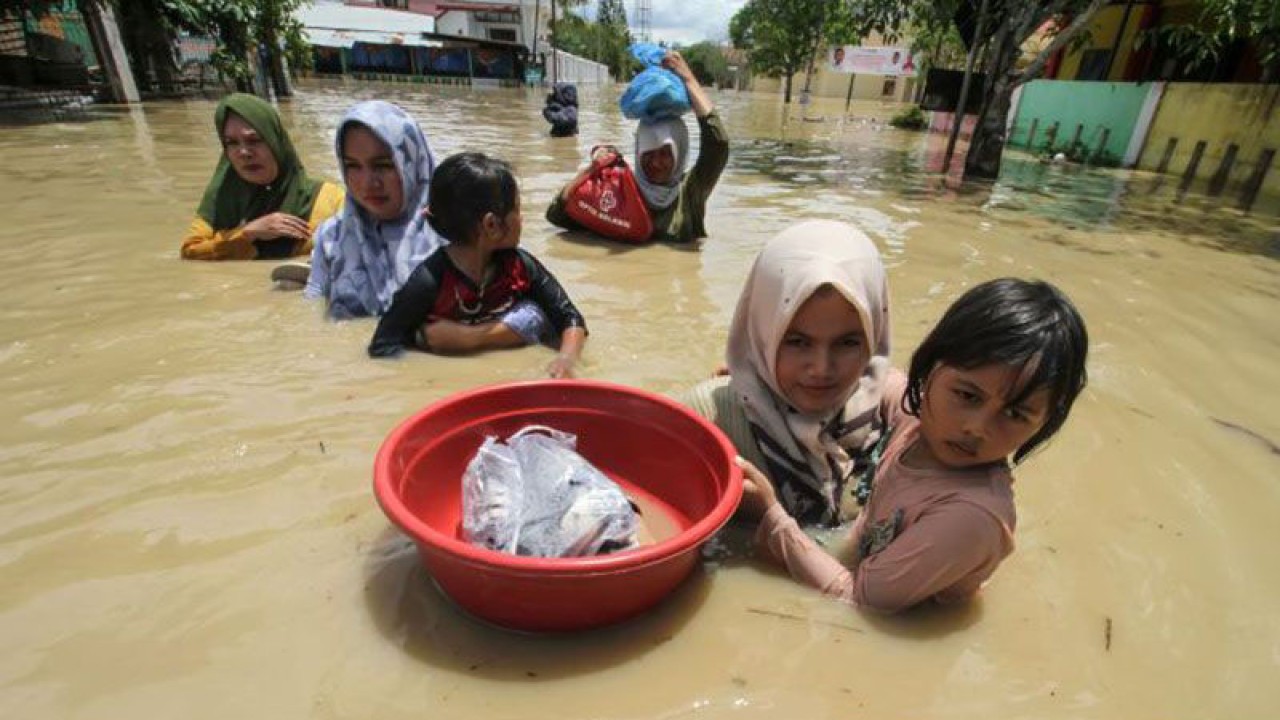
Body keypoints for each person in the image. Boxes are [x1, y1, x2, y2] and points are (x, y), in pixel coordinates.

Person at [741, 278, 1089, 613]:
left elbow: (860, 602)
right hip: (859, 549)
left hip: (890, 609)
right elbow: (868, 380)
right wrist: (769, 381)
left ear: (1043, 424)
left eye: (1015, 414)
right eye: (967, 396)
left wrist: (772, 517)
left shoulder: (970, 517)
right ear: (930, 369)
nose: (977, 428)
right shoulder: (917, 415)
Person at [682, 220, 892, 527]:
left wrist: (772, 520)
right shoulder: (707, 420)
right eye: (797, 342)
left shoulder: (893, 416)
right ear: (763, 333)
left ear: (875, 335)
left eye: (847, 343)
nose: (822, 368)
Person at [368, 153, 587, 379]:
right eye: (517, 210)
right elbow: (382, 348)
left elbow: (570, 318)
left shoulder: (520, 267)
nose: (522, 220)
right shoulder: (429, 282)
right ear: (491, 225)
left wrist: (566, 360)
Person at [546, 51, 729, 244]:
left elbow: (718, 144)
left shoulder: (691, 192)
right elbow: (558, 216)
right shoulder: (620, 189)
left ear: (680, 151)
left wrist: (689, 79)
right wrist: (592, 170)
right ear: (638, 151)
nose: (656, 162)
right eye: (648, 154)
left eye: (665, 153)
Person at [305, 101, 443, 319]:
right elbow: (312, 312)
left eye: (384, 165)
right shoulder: (331, 236)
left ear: (412, 162)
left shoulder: (455, 231)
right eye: (353, 166)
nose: (368, 183)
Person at [181, 93, 343, 261]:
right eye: (232, 143)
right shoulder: (220, 199)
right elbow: (190, 252)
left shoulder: (329, 198)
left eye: (254, 140)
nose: (244, 153)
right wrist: (247, 233)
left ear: (276, 142)